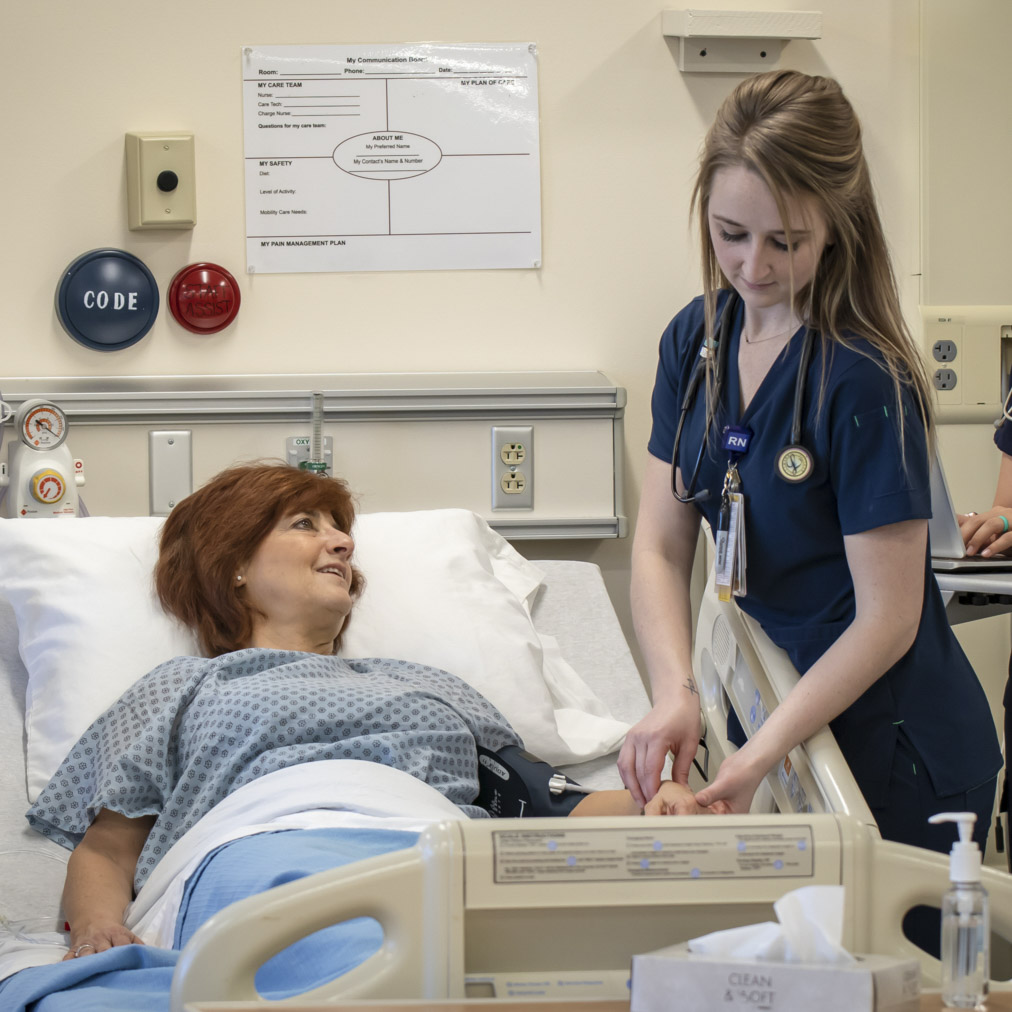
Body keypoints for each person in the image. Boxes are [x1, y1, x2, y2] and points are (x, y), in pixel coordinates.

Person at [23, 462, 709, 966]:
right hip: (263, 859)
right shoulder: (186, 685)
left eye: (341, 531)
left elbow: (543, 806)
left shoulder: (429, 685)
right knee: (369, 959)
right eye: (305, 525)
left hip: (445, 856)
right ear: (232, 565)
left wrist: (660, 805)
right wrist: (96, 932)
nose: (342, 544)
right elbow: (109, 849)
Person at [620, 70, 1002, 893]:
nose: (752, 266)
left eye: (784, 242)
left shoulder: (863, 378)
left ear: (837, 222)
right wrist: (673, 692)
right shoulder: (696, 342)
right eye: (730, 234)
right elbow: (657, 541)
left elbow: (888, 621)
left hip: (897, 752)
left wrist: (761, 756)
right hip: (774, 700)